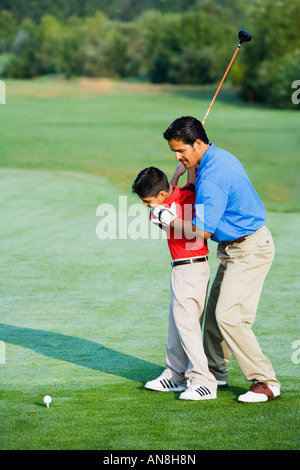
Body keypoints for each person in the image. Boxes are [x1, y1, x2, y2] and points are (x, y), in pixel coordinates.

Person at [154, 115, 280, 403]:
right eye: (174, 151)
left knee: (229, 316)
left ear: (198, 143)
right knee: (212, 318)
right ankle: (214, 373)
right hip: (235, 249)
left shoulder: (213, 177)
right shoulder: (215, 156)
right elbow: (195, 185)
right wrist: (187, 166)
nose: (177, 156)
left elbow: (202, 232)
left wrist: (169, 219)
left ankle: (266, 381)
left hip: (250, 249)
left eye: (181, 151)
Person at [132, 164, 217, 400]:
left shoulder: (168, 207)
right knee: (177, 326)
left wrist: (166, 216)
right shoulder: (182, 195)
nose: (146, 206)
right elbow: (183, 188)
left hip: (190, 269)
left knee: (187, 327)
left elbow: (190, 229)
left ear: (160, 195)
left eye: (147, 201)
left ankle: (204, 381)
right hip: (185, 270)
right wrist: (180, 172)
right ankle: (175, 375)